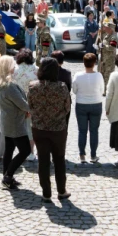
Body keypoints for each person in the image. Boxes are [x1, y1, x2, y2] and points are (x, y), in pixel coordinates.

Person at [28, 57, 71, 202]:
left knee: (43, 160)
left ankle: (46, 192)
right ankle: (61, 190)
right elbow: (67, 108)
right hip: (58, 129)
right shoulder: (62, 87)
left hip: (39, 128)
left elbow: (31, 107)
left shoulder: (33, 87)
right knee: (59, 160)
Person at [0, 55, 31, 189]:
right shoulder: (9, 86)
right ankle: (8, 175)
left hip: (8, 121)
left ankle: (7, 177)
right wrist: (29, 110)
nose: (14, 67)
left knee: (9, 150)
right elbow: (22, 104)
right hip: (15, 123)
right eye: (12, 65)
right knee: (25, 150)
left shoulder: (2, 83)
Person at [71, 53, 103, 163]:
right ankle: (93, 155)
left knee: (82, 131)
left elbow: (74, 90)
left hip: (81, 104)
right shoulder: (99, 75)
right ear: (94, 63)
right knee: (94, 131)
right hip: (96, 103)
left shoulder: (78, 75)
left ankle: (82, 155)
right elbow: (102, 91)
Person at [13, 49, 38, 161]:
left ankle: (21, 151)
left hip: (17, 102)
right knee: (31, 130)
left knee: (19, 129)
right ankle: (31, 153)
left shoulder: (15, 70)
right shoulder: (36, 69)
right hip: (33, 103)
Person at [52, 50, 72, 123]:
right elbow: (69, 88)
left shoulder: (46, 73)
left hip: (51, 101)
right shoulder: (67, 73)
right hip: (64, 101)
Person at [99, 22, 118, 95]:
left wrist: (104, 46)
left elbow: (112, 47)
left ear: (111, 29)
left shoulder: (114, 37)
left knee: (108, 75)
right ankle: (103, 90)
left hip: (110, 60)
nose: (105, 29)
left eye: (107, 28)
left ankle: (108, 91)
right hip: (104, 59)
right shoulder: (106, 35)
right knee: (103, 74)